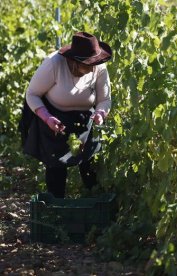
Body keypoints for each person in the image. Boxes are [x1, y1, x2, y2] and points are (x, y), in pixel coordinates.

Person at [19, 31, 112, 198]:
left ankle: (93, 205)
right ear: (75, 62)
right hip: (54, 117)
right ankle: (57, 208)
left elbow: (105, 99)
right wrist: (46, 117)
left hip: (86, 119)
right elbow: (32, 94)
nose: (92, 69)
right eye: (88, 65)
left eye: (94, 64)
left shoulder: (99, 67)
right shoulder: (54, 64)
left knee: (90, 165)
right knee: (56, 166)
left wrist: (100, 113)